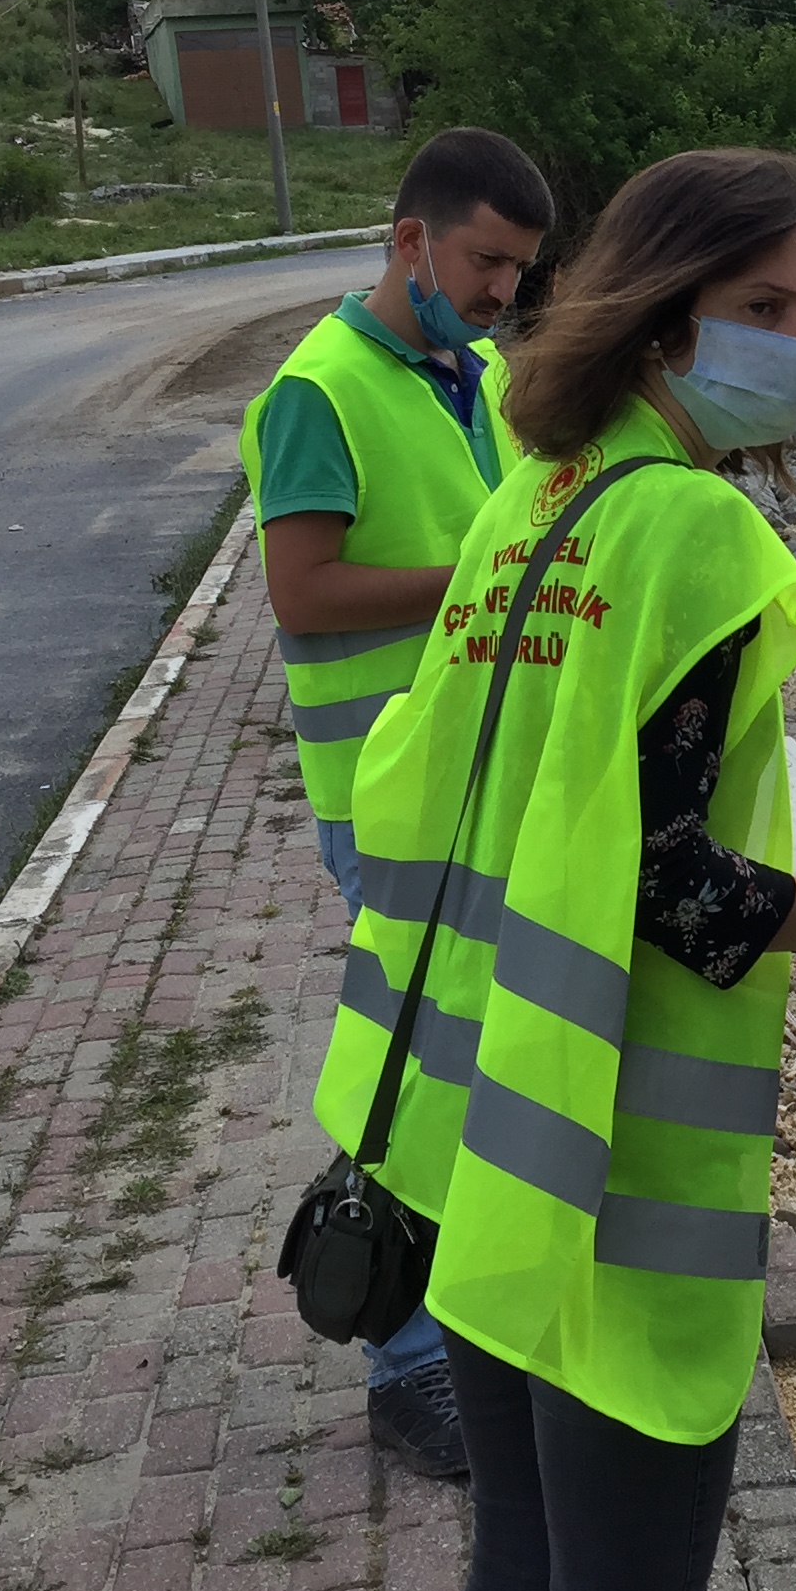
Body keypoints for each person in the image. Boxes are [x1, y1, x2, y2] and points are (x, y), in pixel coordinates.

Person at [312, 147, 796, 1591]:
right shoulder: (694, 529)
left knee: (518, 1576)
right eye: (763, 309)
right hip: (604, 1167)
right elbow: (667, 884)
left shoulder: (537, 497)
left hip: (460, 1138)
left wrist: (791, 807)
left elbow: (483, 782)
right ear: (665, 318)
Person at [238, 124, 551, 1480]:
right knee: (424, 1064)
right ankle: (402, 1356)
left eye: (520, 273)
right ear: (411, 240)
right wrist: (483, 588)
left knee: (478, 1063)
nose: (501, 294)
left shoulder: (470, 373)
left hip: (474, 787)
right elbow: (301, 593)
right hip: (385, 797)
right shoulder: (320, 390)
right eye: (486, 262)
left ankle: (468, 1322)